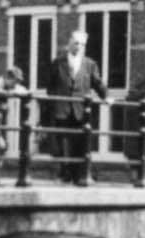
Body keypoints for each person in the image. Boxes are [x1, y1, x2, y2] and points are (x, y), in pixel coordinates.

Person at [45, 29, 107, 185]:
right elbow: (50, 86)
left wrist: (106, 96)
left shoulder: (90, 64)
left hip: (81, 110)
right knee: (64, 143)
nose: (79, 47)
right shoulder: (58, 63)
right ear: (69, 44)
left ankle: (82, 175)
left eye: (83, 44)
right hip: (62, 109)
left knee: (81, 141)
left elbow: (97, 83)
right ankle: (66, 174)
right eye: (76, 43)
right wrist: (55, 102)